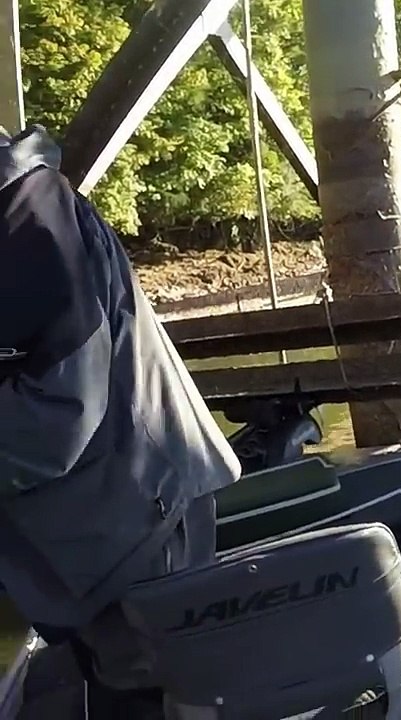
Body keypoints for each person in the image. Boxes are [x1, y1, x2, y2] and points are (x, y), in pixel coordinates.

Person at [0, 125, 241, 715]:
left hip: (133, 525)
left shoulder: (27, 221)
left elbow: (60, 414)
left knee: (155, 697)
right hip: (75, 539)